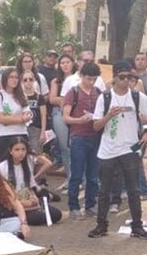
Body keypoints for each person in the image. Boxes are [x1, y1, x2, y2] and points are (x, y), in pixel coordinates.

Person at [88, 61, 147, 239]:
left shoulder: (137, 97)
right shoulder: (104, 98)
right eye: (122, 77)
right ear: (114, 78)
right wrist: (109, 115)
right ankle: (101, 225)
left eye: (130, 77)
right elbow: (96, 126)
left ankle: (137, 226)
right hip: (108, 150)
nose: (126, 81)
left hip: (130, 149)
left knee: (134, 190)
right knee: (104, 190)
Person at [62, 62, 103, 220]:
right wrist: (80, 120)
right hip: (78, 136)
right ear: (81, 76)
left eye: (94, 79)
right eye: (88, 78)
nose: (91, 82)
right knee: (77, 174)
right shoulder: (73, 92)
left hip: (95, 136)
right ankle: (73, 206)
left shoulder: (98, 92)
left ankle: (91, 204)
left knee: (93, 174)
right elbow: (66, 117)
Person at [0, 137, 61, 226]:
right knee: (39, 217)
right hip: (12, 202)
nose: (21, 153)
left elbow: (30, 187)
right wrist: (22, 203)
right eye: (17, 150)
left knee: (56, 214)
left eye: (23, 149)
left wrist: (33, 198)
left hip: (27, 199)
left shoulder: (28, 161)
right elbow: (2, 193)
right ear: (10, 151)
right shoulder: (2, 167)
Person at [49, 54, 76, 187]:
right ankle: (70, 176)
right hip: (59, 114)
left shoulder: (79, 79)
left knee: (77, 145)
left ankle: (81, 178)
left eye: (68, 62)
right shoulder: (56, 81)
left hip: (77, 115)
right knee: (65, 146)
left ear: (73, 63)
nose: (65, 65)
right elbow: (52, 99)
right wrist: (66, 100)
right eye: (62, 63)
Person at [0, 68, 31, 161]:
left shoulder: (22, 96)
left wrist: (9, 119)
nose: (14, 80)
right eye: (11, 77)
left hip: (21, 133)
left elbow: (27, 116)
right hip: (4, 135)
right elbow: (0, 118)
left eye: (16, 77)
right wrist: (20, 119)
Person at [21, 70, 48, 154]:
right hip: (22, 128)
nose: (28, 82)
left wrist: (43, 132)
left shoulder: (39, 97)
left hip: (36, 129)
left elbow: (43, 115)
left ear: (34, 81)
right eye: (25, 80)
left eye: (30, 79)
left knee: (36, 155)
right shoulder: (19, 97)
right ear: (21, 81)